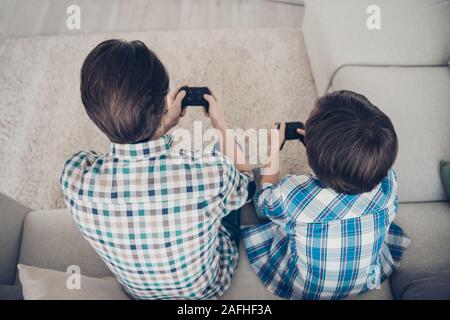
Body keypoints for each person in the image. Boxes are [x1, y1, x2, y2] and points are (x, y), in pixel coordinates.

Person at [60, 39, 254, 299]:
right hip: (206, 290)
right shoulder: (211, 174)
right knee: (226, 157)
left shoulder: (74, 178)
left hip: (140, 293)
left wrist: (163, 126)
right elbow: (247, 185)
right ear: (164, 102)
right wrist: (222, 125)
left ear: (94, 113)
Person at [242, 90, 410, 299]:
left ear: (313, 157)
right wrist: (319, 148)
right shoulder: (389, 182)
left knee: (263, 204)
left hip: (308, 288)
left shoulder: (293, 194)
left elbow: (264, 201)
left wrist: (273, 149)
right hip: (364, 280)